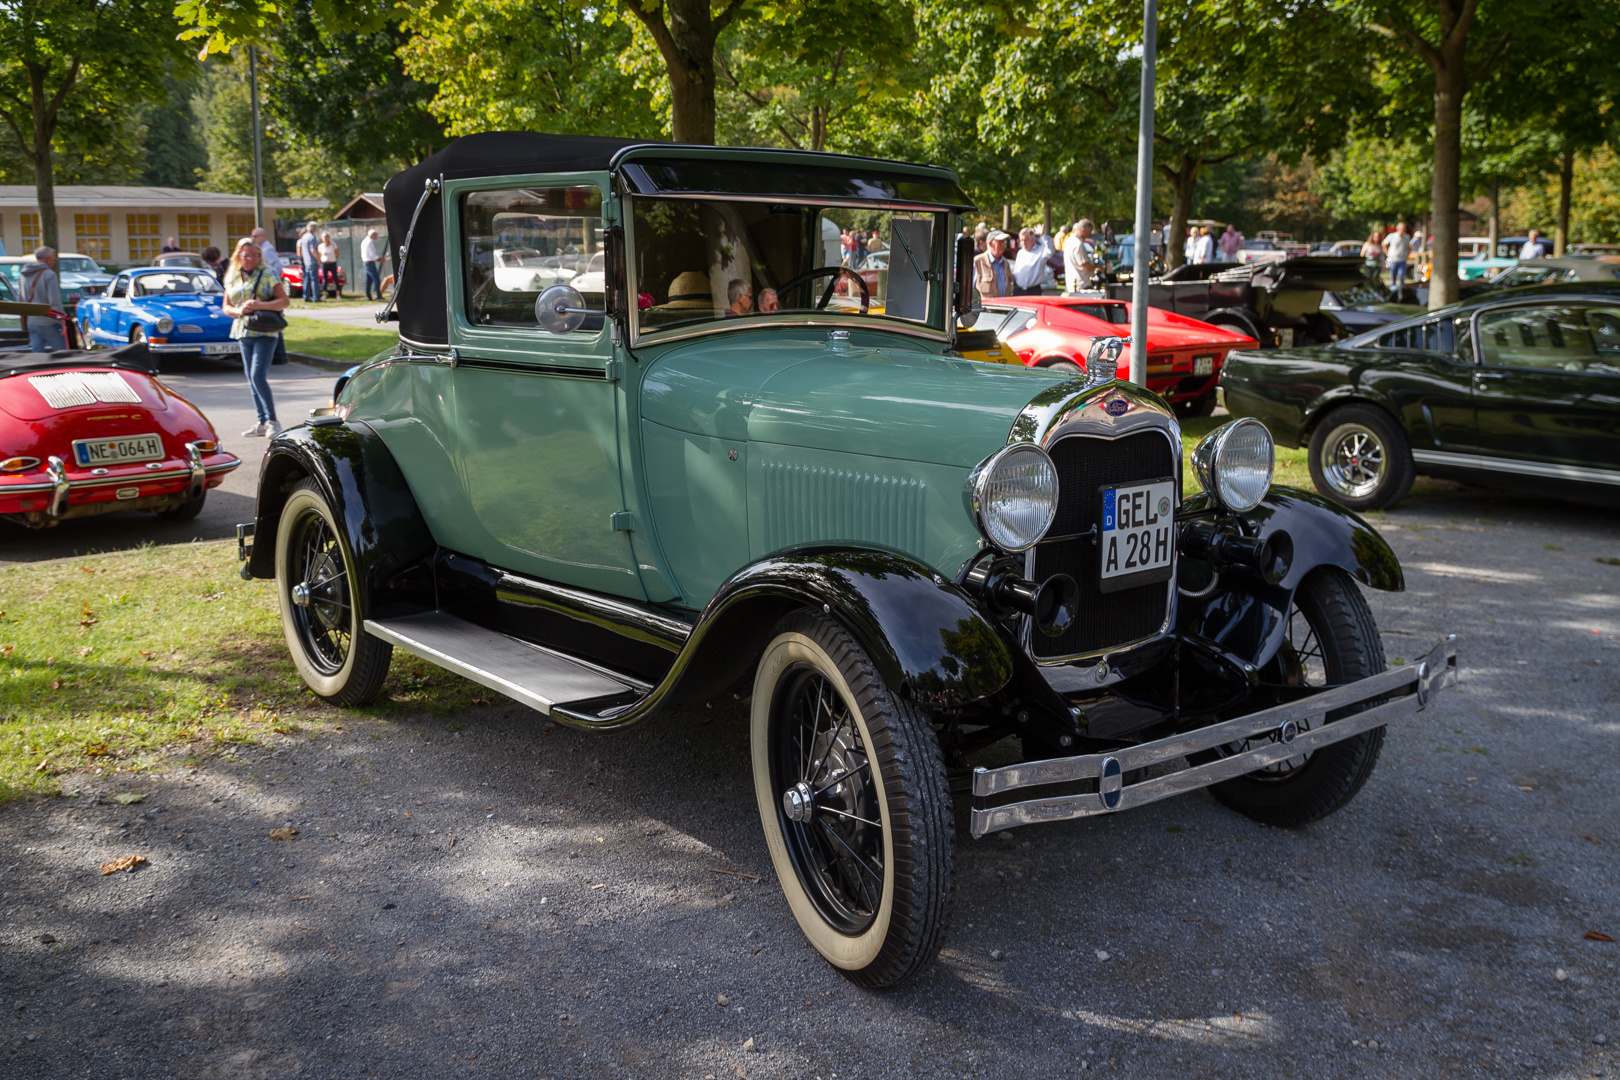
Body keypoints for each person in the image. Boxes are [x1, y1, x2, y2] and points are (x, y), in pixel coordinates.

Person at [221, 237, 290, 437]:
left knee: (257, 376)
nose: (250, 258)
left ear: (259, 256)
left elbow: (284, 302)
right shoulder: (232, 276)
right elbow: (226, 307)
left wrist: (260, 305)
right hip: (243, 331)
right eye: (246, 255)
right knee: (251, 379)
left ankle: (273, 422)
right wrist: (239, 310)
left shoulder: (268, 274)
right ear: (238, 256)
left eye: (254, 255)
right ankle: (261, 422)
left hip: (265, 331)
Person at [250, 228, 290, 366]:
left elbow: (277, 268)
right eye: (252, 236)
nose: (253, 239)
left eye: (255, 236)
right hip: (266, 291)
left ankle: (280, 354)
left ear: (263, 236)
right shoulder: (262, 249)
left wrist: (271, 283)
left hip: (270, 292)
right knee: (269, 321)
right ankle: (278, 354)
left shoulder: (267, 249)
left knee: (273, 321)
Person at [20, 246, 66, 352]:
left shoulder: (23, 275)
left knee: (38, 356)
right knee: (64, 354)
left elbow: (21, 300)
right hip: (49, 322)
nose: (53, 262)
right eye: (54, 260)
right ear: (48, 259)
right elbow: (55, 302)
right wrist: (62, 321)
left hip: (31, 322)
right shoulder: (49, 275)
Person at [973, 230, 1013, 299]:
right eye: (1000, 242)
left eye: (1004, 242)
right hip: (987, 308)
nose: (1003, 244)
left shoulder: (1006, 263)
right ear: (990, 243)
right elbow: (969, 289)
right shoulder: (978, 261)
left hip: (1005, 307)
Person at [1063, 219, 1098, 295]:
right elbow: (1085, 265)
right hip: (1080, 285)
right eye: (1089, 232)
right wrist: (1099, 269)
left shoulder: (1068, 241)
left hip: (1071, 283)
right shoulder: (1078, 244)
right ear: (1083, 230)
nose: (1089, 235)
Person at [1010, 227, 1045, 295]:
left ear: (1032, 239)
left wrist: (1043, 236)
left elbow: (1050, 249)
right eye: (1021, 240)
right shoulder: (1021, 252)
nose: (1023, 243)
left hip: (1033, 291)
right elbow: (1017, 270)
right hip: (1018, 290)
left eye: (1025, 240)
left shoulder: (1040, 251)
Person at [1383, 222, 1412, 293]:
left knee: (1402, 276)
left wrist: (1407, 256)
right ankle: (1393, 290)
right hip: (1393, 259)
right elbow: (1384, 244)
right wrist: (1387, 254)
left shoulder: (1406, 238)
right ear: (1398, 229)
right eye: (1402, 229)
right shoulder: (1392, 236)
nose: (1403, 230)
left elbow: (1409, 247)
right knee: (1393, 275)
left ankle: (1402, 290)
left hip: (1402, 260)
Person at [296, 222, 320, 302]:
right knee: (314, 280)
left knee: (307, 279)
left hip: (306, 261)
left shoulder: (304, 237)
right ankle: (316, 297)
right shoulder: (311, 237)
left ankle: (306, 296)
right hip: (312, 261)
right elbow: (313, 249)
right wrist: (318, 258)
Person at [360, 228, 383, 301]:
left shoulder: (365, 241)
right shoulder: (369, 242)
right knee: (376, 279)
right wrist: (380, 259)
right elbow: (372, 255)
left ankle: (368, 295)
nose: (376, 236)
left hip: (366, 262)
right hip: (369, 263)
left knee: (369, 280)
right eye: (375, 235)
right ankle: (378, 295)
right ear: (372, 235)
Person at [318, 231, 341, 298]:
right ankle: (324, 294)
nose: (325, 238)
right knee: (325, 278)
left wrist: (333, 258)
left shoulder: (333, 245)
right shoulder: (320, 246)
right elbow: (320, 255)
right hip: (324, 264)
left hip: (332, 263)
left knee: (335, 278)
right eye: (324, 237)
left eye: (326, 237)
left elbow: (337, 253)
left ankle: (338, 294)